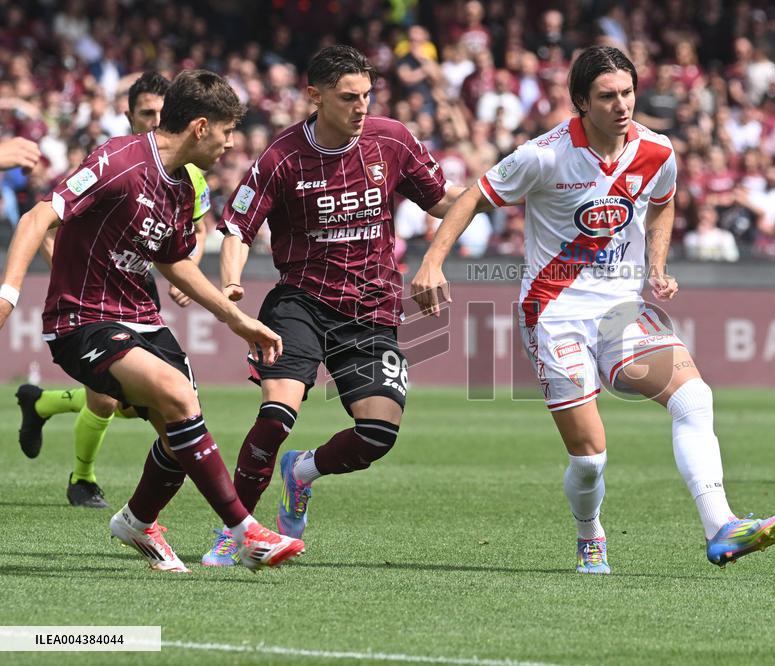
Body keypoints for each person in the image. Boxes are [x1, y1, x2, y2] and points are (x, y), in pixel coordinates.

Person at [411, 46, 775, 573]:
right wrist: (432, 261)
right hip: (553, 313)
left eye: (628, 93)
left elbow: (663, 201)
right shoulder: (544, 154)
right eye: (608, 96)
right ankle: (590, 532)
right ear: (581, 103)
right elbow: (474, 196)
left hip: (620, 308)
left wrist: (656, 264)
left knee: (694, 398)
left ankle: (720, 525)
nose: (622, 105)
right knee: (591, 459)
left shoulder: (657, 150)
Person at [0, 70, 304, 572]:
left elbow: (174, 260)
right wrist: (9, 297)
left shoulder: (184, 187)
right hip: (83, 317)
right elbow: (38, 217)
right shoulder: (118, 160)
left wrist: (237, 319)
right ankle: (244, 531)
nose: (231, 145)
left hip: (142, 317)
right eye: (228, 132)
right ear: (201, 127)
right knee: (178, 396)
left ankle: (137, 521)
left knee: (180, 429)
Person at [201, 45, 463, 566]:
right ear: (315, 96)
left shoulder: (392, 140)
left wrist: (511, 191)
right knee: (277, 415)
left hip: (371, 308)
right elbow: (236, 228)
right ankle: (234, 534)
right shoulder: (282, 157)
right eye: (349, 97)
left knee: (377, 435)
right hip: (301, 301)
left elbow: (444, 200)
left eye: (367, 95)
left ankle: (301, 472)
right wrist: (231, 284)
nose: (361, 107)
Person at [15, 71, 214, 509]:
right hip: (94, 294)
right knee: (106, 400)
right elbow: (49, 222)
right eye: (146, 112)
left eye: (162, 113)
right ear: (128, 115)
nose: (154, 119)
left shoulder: (192, 175)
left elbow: (195, 233)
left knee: (127, 404)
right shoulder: (111, 161)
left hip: (139, 288)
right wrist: (73, 276)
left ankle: (42, 405)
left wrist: (194, 272)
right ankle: (82, 480)